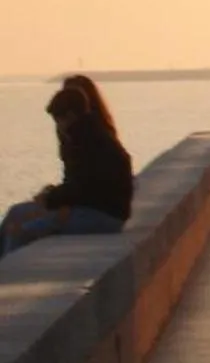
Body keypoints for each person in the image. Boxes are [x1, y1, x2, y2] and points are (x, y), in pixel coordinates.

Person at [3, 77, 135, 258]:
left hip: (101, 216)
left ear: (70, 116)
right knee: (16, 215)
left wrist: (51, 200)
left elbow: (85, 188)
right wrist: (55, 197)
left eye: (59, 120)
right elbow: (81, 184)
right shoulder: (89, 135)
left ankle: (9, 273)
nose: (58, 126)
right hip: (94, 210)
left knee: (21, 231)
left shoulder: (88, 141)